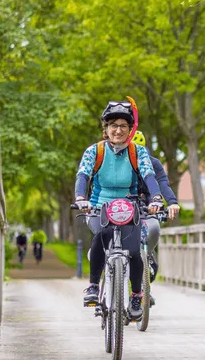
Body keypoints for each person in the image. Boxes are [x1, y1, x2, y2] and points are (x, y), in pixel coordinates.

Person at [74, 99, 164, 318]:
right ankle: (94, 286)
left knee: (134, 251)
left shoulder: (138, 152)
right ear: (106, 129)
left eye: (124, 126)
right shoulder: (94, 151)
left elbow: (148, 175)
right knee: (101, 237)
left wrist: (157, 198)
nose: (118, 130)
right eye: (113, 125)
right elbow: (83, 174)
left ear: (130, 130)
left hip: (130, 207)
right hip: (99, 206)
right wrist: (80, 198)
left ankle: (135, 296)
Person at [132, 130, 181, 280]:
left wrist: (172, 203)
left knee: (153, 228)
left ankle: (148, 255)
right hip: (125, 204)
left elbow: (163, 183)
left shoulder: (153, 163)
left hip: (148, 204)